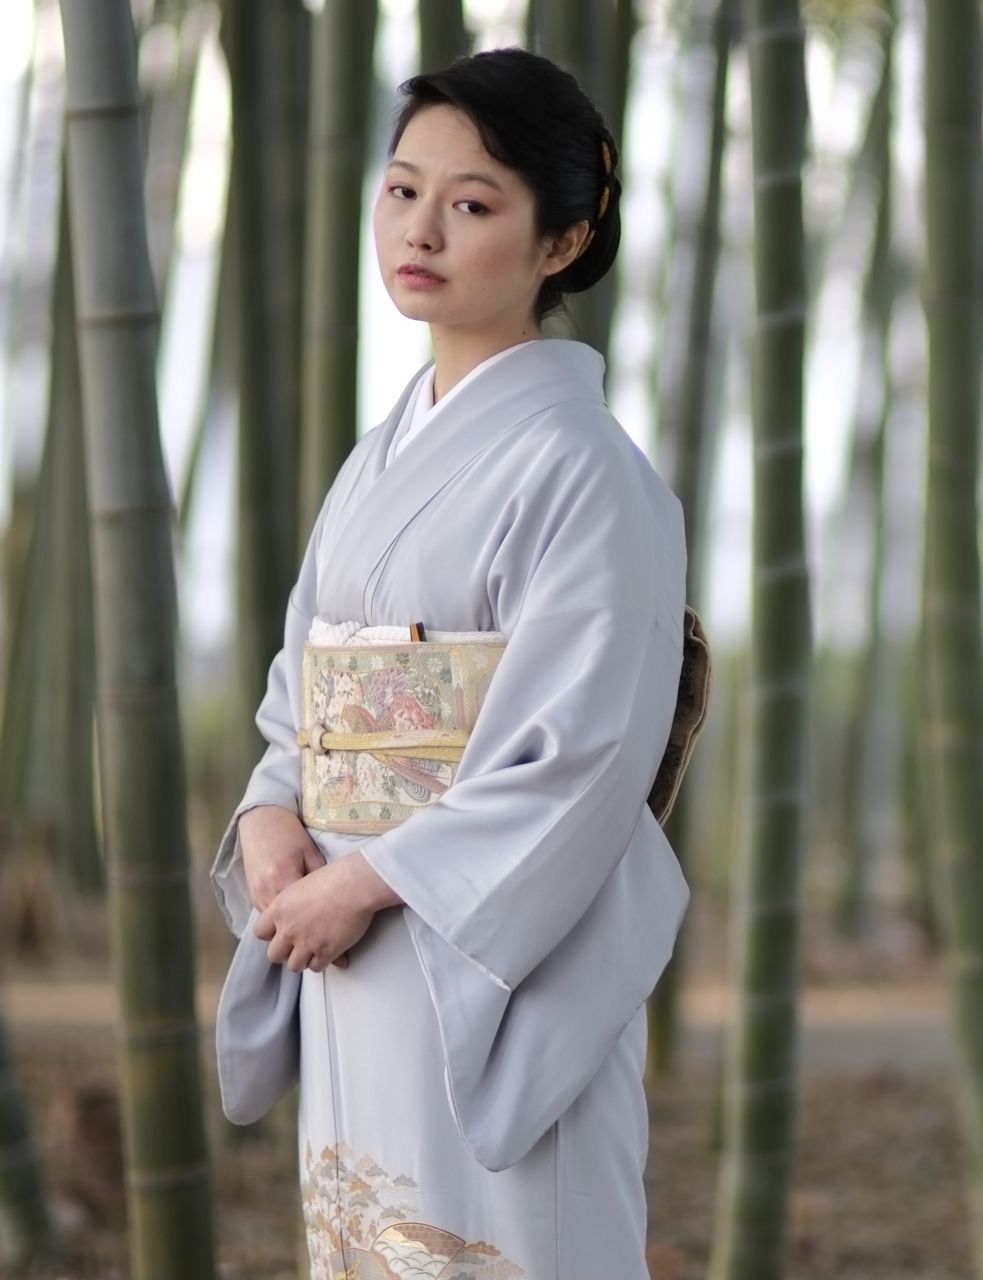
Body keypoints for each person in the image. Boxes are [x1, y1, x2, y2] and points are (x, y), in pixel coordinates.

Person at [207, 48, 691, 1277]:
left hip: (490, 959)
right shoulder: (373, 462)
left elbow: (576, 762)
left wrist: (364, 883)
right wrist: (273, 817)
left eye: (473, 204)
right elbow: (297, 701)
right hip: (344, 940)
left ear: (562, 241)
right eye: (401, 189)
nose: (421, 229)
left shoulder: (588, 471)